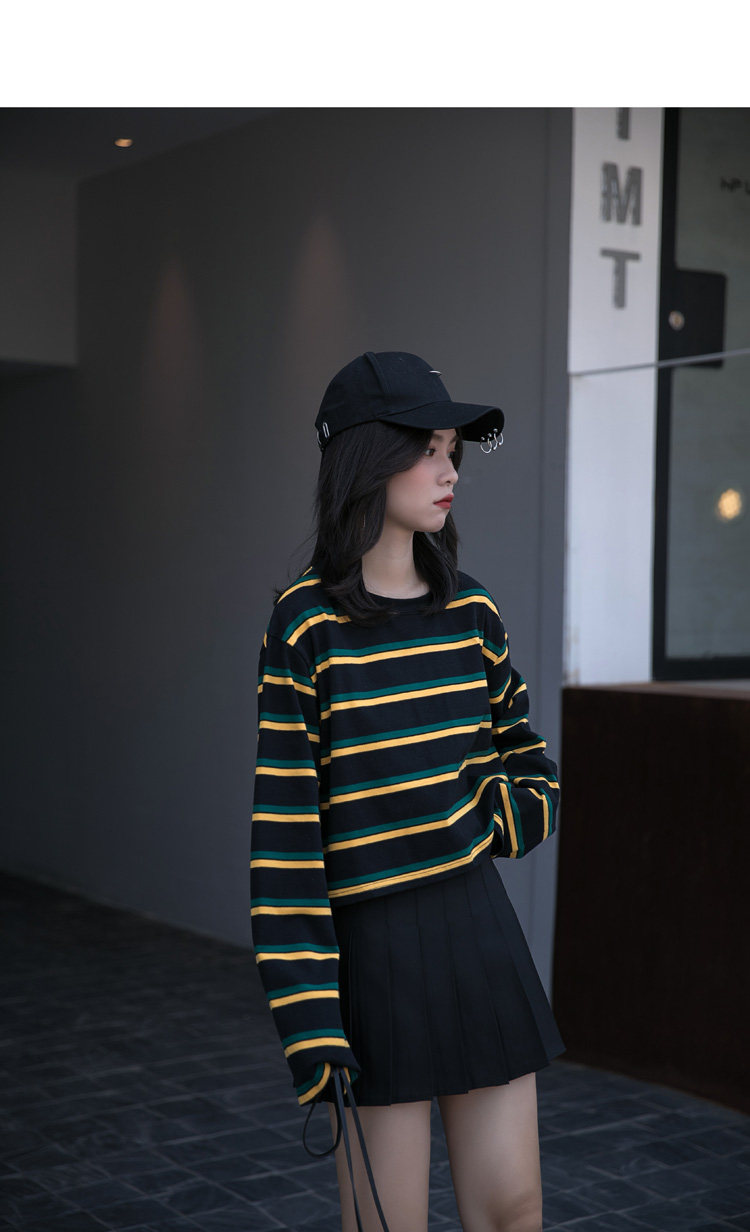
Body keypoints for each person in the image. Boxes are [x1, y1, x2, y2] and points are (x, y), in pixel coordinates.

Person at [250, 351, 565, 1232]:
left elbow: (534, 769)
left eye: (452, 450)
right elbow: (285, 841)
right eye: (427, 449)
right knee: (386, 1225)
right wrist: (311, 1022)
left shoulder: (473, 612)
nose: (449, 469)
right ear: (367, 458)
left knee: (514, 1212)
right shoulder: (304, 626)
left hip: (477, 928)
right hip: (373, 949)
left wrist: (481, 817)